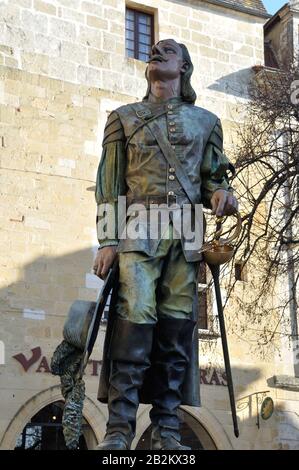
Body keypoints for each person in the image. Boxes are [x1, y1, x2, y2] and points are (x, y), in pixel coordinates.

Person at [93, 39, 238, 450]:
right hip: (138, 227)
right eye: (154, 51)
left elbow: (214, 179)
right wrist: (107, 240)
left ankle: (167, 430)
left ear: (185, 67)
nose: (156, 52)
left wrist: (221, 196)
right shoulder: (122, 119)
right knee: (133, 320)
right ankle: (119, 429)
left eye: (168, 50)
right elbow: (110, 185)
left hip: (188, 234)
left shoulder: (207, 122)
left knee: (176, 332)